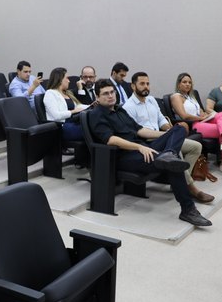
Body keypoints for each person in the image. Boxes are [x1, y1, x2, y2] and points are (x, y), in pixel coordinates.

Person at [88, 79, 212, 227]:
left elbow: (140, 130)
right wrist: (138, 147)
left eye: (112, 92)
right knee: (174, 165)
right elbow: (110, 139)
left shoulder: (119, 110)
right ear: (97, 97)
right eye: (105, 94)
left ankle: (169, 154)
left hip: (142, 148)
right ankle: (188, 209)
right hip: (125, 156)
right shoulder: (96, 114)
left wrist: (167, 135)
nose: (110, 96)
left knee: (178, 129)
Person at [123, 71, 214, 204]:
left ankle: (179, 181)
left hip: (162, 135)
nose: (146, 87)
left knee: (196, 146)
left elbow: (161, 120)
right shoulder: (128, 107)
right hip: (148, 141)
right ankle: (191, 188)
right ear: (133, 86)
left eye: (147, 83)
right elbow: (137, 132)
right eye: (142, 84)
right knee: (176, 151)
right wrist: (167, 134)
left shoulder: (151, 100)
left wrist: (169, 129)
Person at [170, 73, 222, 173]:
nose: (187, 84)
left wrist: (205, 115)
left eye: (189, 82)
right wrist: (200, 117)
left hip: (201, 120)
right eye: (184, 82)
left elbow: (201, 110)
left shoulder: (191, 96)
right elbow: (184, 116)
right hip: (193, 124)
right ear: (178, 84)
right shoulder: (176, 96)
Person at [43, 67, 89, 141]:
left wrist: (92, 105)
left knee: (93, 125)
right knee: (92, 129)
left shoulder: (67, 93)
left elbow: (78, 106)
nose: (69, 81)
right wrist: (73, 111)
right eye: (67, 78)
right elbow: (56, 116)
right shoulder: (50, 93)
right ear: (60, 79)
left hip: (73, 122)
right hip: (63, 127)